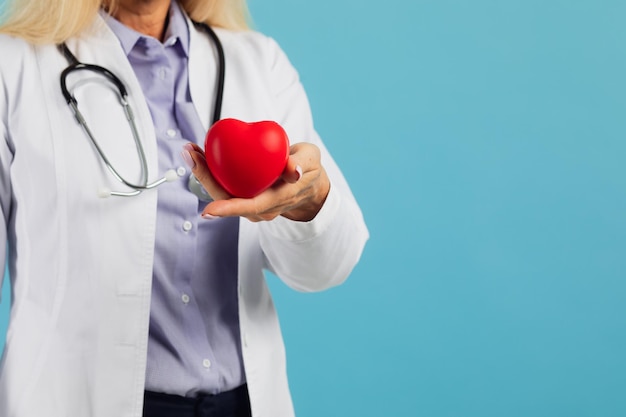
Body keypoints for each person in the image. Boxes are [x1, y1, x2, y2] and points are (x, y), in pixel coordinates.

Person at [0, 0, 368, 416]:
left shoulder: (257, 61)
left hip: (242, 403)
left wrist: (309, 202)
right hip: (77, 400)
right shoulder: (12, 66)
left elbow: (327, 268)